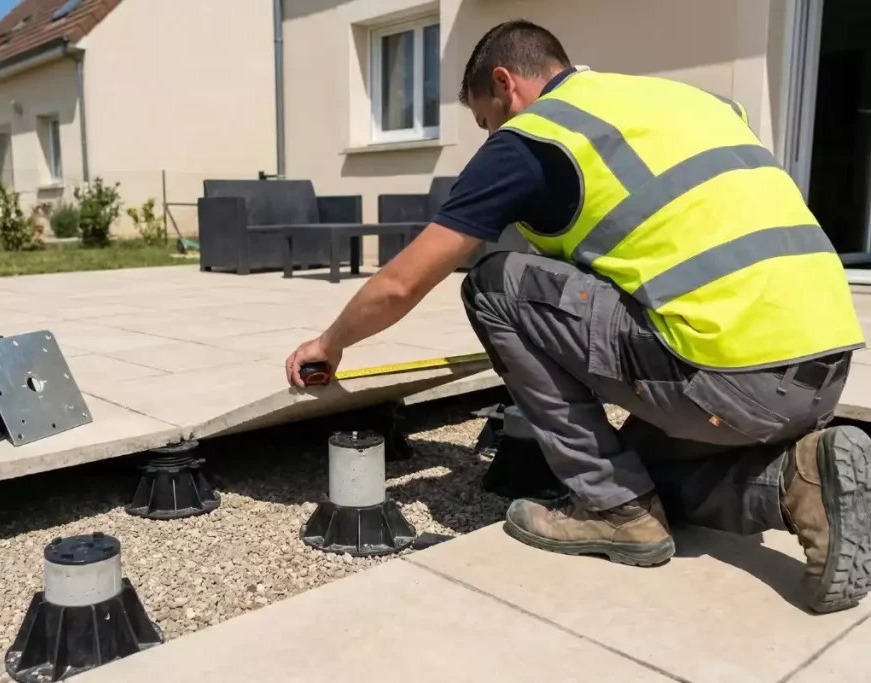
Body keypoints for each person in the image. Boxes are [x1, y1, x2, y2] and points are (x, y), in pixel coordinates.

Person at [285, 20, 871, 614]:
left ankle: (615, 511)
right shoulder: (690, 102)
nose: (492, 135)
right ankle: (801, 483)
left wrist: (331, 343)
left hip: (728, 379)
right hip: (824, 371)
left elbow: (402, 282)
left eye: (486, 121)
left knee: (492, 285)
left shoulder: (533, 137)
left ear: (505, 83)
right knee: (641, 470)